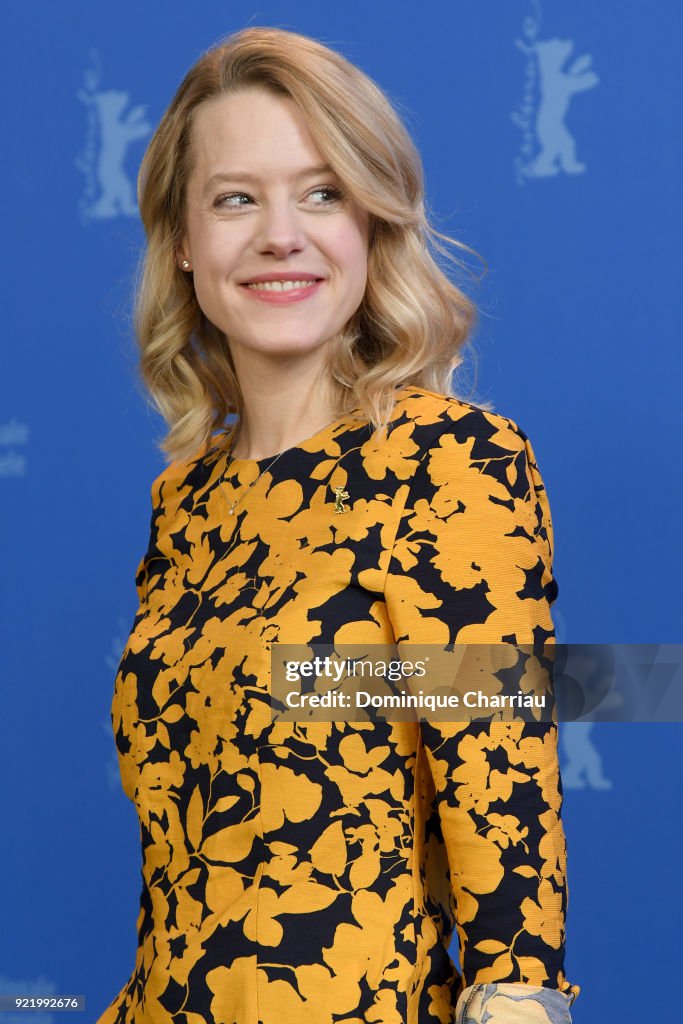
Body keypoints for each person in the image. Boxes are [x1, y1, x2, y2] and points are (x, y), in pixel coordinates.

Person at [97, 25, 580, 1024]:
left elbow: (502, 798)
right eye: (237, 197)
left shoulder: (447, 463)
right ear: (183, 241)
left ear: (370, 222)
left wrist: (517, 995)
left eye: (322, 192)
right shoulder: (183, 504)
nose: (281, 232)